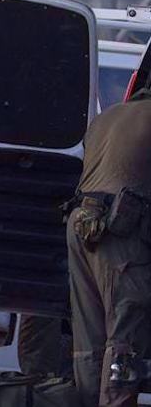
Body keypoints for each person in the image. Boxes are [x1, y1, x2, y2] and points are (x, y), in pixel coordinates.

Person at [65, 87, 151, 407]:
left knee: (89, 335)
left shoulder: (107, 117)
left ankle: (89, 400)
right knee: (126, 331)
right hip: (120, 232)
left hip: (81, 224)